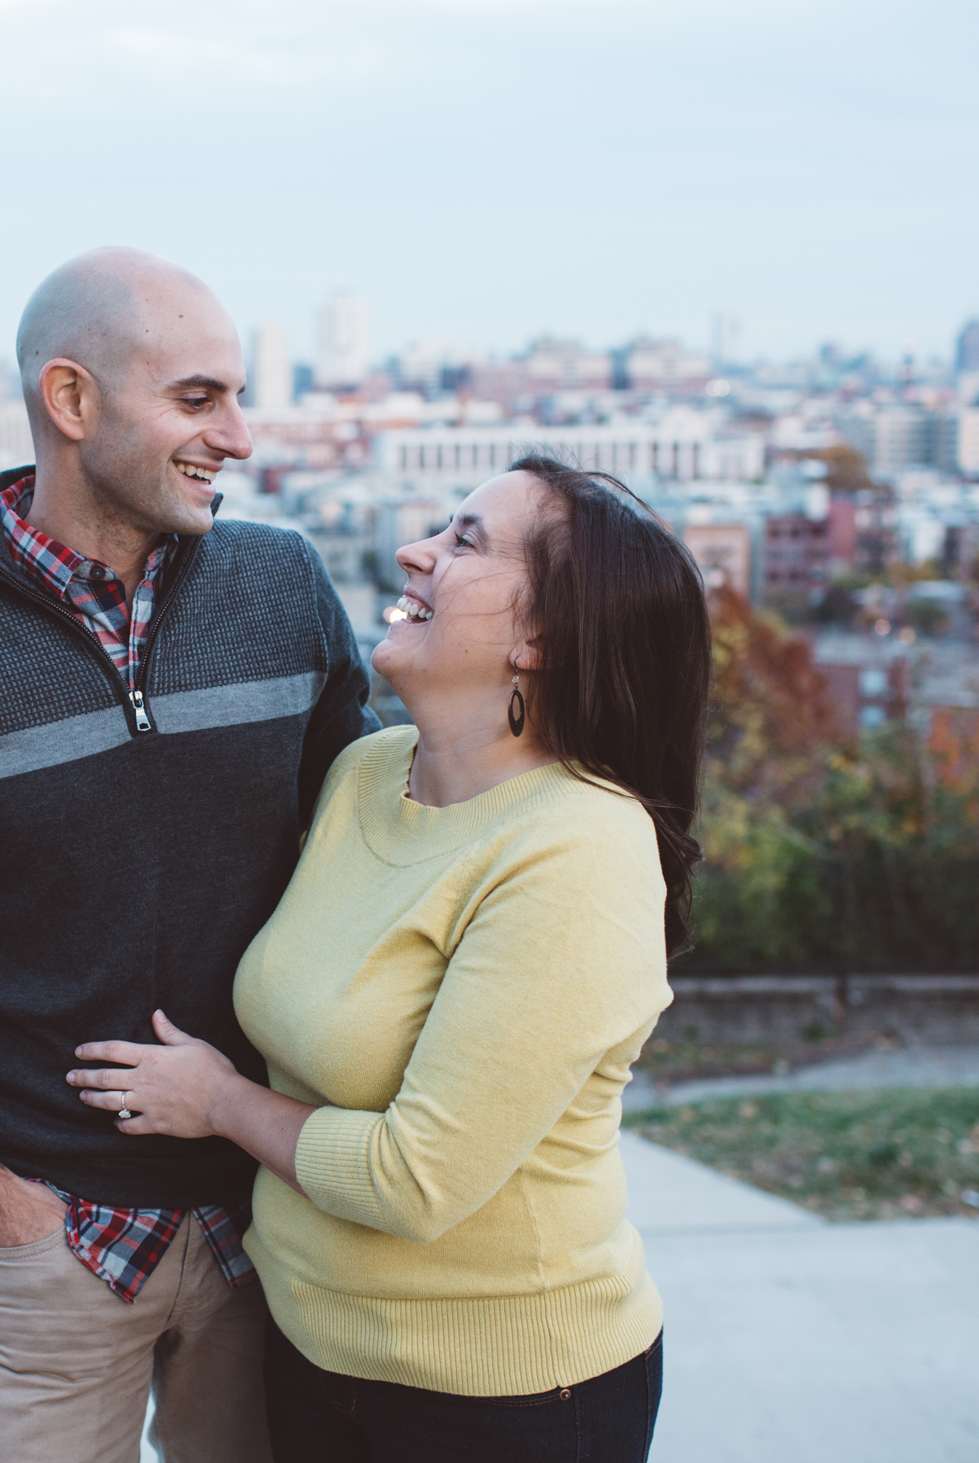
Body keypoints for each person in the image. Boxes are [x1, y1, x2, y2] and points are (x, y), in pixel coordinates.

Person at [0, 247, 377, 1463]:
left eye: (239, 397)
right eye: (200, 399)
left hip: (272, 1223)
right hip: (44, 1248)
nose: (242, 437)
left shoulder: (285, 588)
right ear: (70, 400)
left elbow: (384, 839)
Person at [66, 456, 710, 1462]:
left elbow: (415, 1179)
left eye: (465, 541)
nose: (416, 550)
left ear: (540, 637)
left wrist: (219, 1100)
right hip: (311, 1356)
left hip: (507, 1397)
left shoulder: (577, 847)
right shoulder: (366, 772)